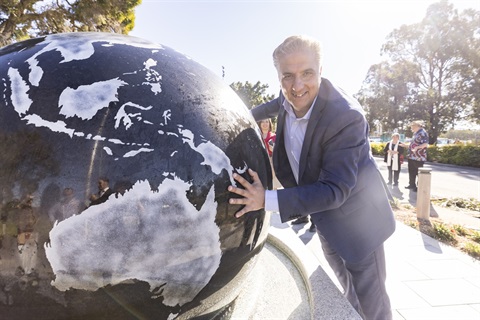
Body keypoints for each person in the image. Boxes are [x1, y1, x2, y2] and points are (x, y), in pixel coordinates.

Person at [228, 35, 395, 319]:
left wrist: (265, 199)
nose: (297, 86)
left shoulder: (346, 117)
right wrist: (239, 114)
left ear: (321, 69)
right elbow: (270, 105)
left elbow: (333, 191)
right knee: (347, 291)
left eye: (307, 73)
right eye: (287, 76)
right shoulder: (288, 94)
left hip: (360, 226)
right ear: (279, 76)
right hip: (325, 220)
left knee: (373, 305)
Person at [400, 120, 428, 192]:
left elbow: (425, 144)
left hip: (418, 157)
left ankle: (420, 187)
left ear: (417, 126)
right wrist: (405, 145)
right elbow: (413, 144)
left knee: (418, 172)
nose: (411, 128)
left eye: (412, 126)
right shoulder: (416, 133)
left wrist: (417, 148)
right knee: (411, 171)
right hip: (412, 156)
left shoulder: (422, 133)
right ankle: (411, 185)